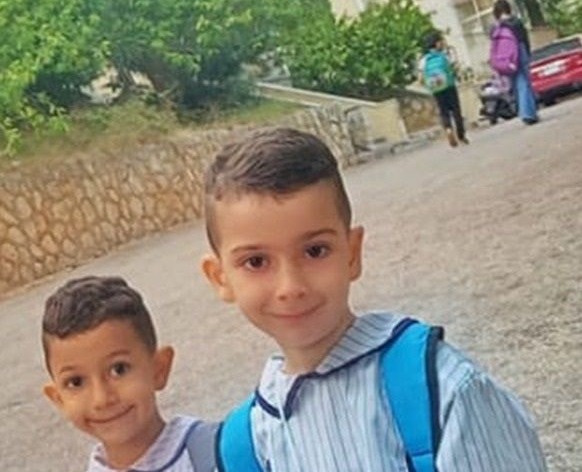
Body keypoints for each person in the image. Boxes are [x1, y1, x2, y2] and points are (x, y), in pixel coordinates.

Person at [199, 128, 546, 471]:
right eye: (256, 262)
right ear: (220, 277)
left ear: (352, 254)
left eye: (315, 251)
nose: (290, 287)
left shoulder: (440, 388)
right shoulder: (244, 445)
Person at [41, 276, 218, 471]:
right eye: (76, 382)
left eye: (119, 370)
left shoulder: (213, 456)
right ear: (58, 399)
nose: (101, 399)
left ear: (159, 369)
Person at [490, 0, 540, 125]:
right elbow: (524, 39)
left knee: (515, 84)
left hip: (505, 58)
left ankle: (524, 111)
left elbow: (494, 45)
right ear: (508, 8)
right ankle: (528, 113)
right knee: (524, 82)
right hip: (519, 52)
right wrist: (528, 53)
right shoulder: (516, 22)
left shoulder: (495, 27)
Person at [418, 31, 469, 147]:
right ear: (437, 43)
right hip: (449, 86)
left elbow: (420, 78)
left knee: (444, 111)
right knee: (456, 110)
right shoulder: (444, 56)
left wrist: (429, 85)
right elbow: (452, 69)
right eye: (441, 41)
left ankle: (448, 129)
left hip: (436, 89)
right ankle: (461, 136)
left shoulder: (423, 60)